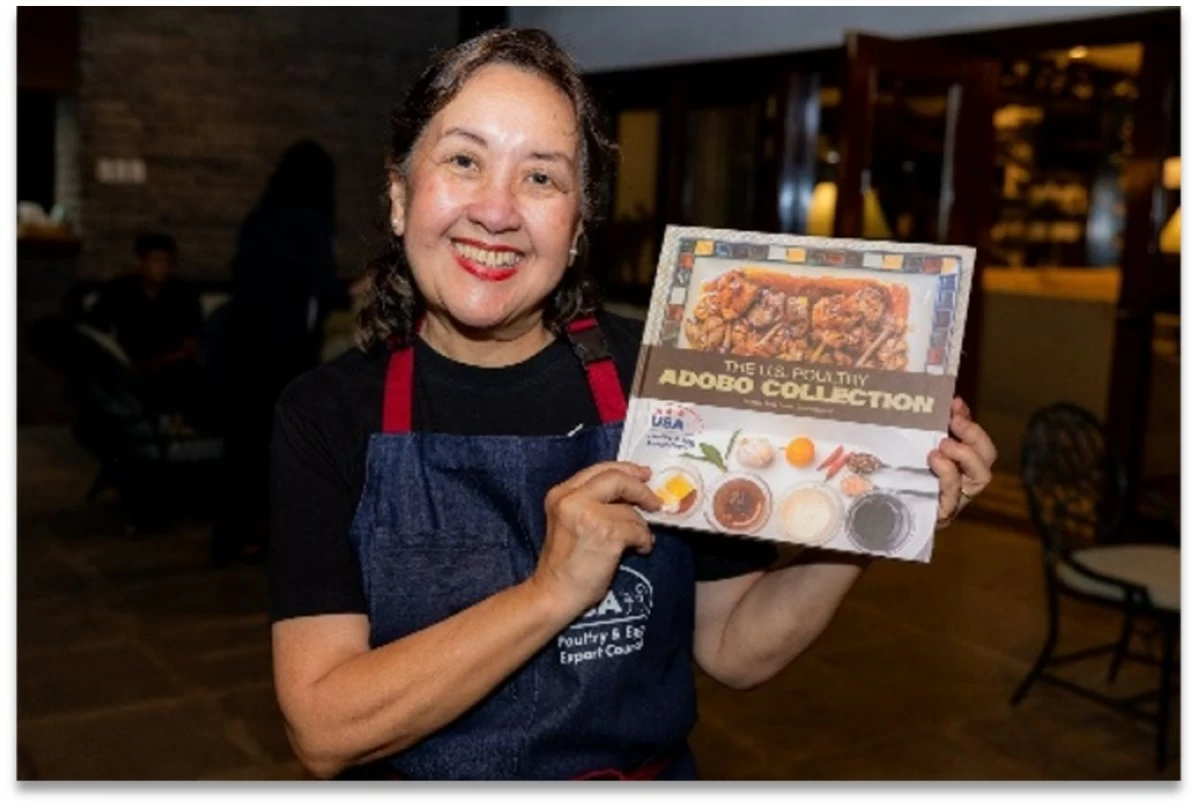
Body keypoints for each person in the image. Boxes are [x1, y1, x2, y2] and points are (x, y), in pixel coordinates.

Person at [268, 29, 998, 781]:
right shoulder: (326, 416)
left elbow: (734, 646)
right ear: (399, 196)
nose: (496, 211)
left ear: (577, 226)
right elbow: (325, 728)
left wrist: (870, 512)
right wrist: (551, 592)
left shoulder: (672, 378)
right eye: (463, 161)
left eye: (541, 178)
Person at [211, 140, 354, 566]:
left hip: (240, 347)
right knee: (282, 451)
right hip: (283, 354)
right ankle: (274, 541)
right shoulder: (311, 222)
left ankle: (229, 539)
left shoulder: (259, 217)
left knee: (241, 449)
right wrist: (358, 288)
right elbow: (323, 287)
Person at [82, 232, 208, 427]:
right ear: (141, 262)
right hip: (129, 363)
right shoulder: (119, 289)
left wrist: (158, 362)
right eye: (156, 261)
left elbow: (193, 344)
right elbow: (97, 329)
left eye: (168, 262)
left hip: (172, 364)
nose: (162, 267)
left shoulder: (184, 293)